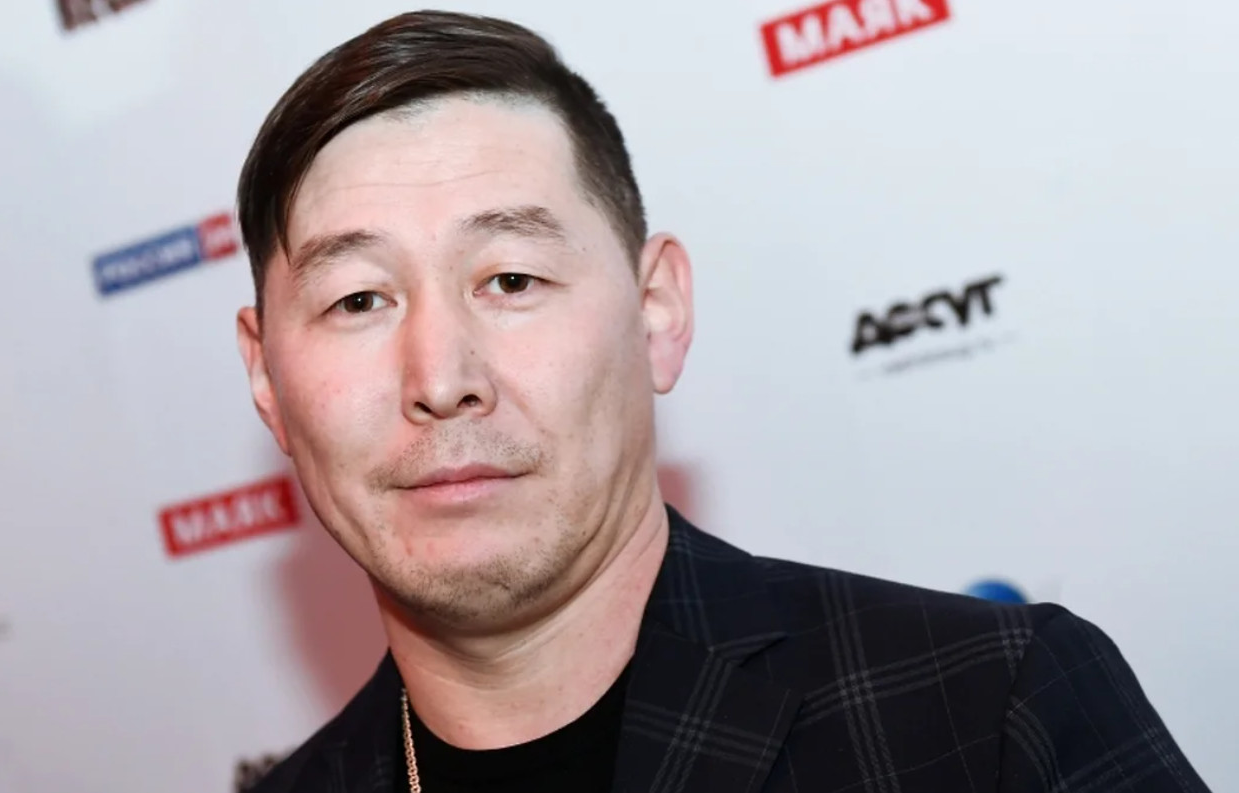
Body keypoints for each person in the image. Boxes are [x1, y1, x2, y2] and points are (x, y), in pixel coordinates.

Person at [233, 11, 1210, 793]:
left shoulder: (988, 712)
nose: (441, 378)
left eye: (512, 279)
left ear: (656, 312)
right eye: (357, 300)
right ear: (266, 379)